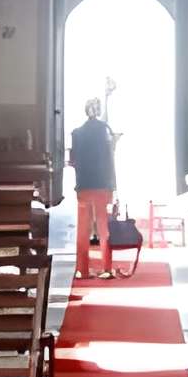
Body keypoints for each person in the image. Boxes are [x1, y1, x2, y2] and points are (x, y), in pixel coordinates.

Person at [69, 96, 118, 281]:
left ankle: (82, 269)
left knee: (83, 230)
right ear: (98, 111)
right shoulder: (105, 131)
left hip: (83, 185)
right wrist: (114, 186)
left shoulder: (76, 133)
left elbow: (73, 160)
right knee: (104, 229)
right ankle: (106, 268)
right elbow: (110, 160)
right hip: (102, 185)